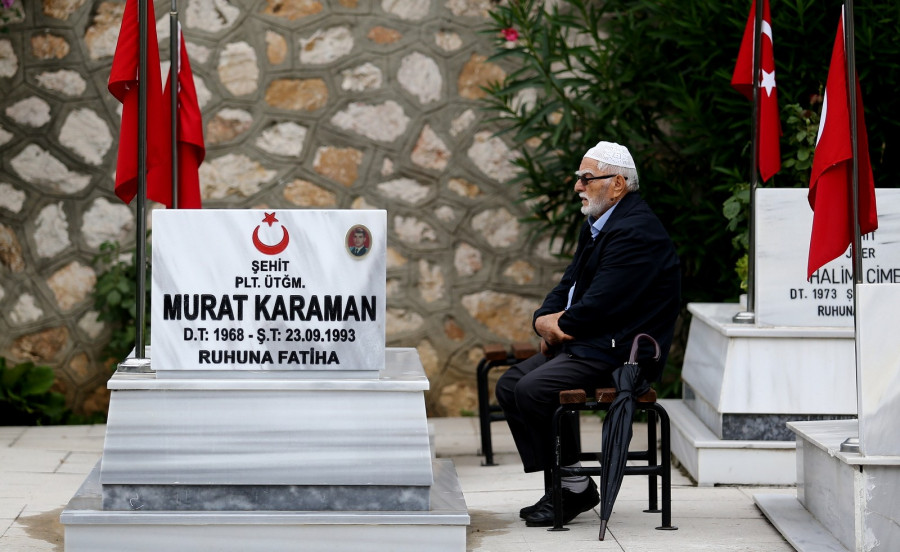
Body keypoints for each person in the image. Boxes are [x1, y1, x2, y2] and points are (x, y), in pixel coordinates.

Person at [495, 141, 680, 527]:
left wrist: (558, 328)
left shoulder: (636, 232)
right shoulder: (599, 225)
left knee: (533, 390)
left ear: (617, 184)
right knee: (510, 385)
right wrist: (543, 320)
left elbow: (600, 304)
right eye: (579, 178)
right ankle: (569, 484)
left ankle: (570, 487)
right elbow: (569, 285)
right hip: (592, 344)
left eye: (586, 178)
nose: (578, 186)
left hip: (622, 354)